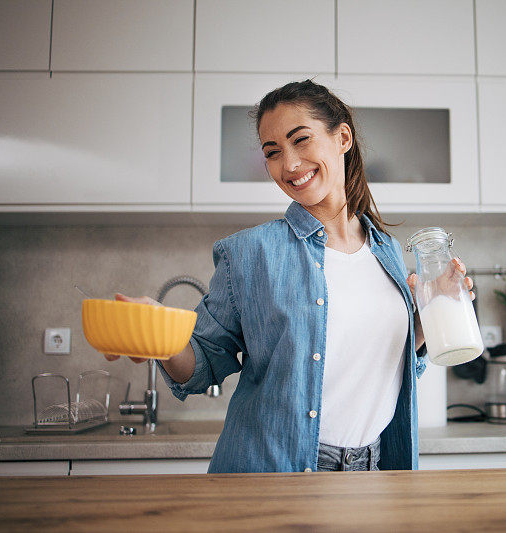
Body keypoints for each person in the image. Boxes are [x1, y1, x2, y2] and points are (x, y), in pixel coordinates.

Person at [105, 79, 474, 473]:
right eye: (273, 152)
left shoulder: (389, 252)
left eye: (301, 140)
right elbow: (203, 364)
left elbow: (385, 364)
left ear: (343, 138)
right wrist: (158, 336)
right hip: (276, 469)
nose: (290, 164)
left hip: (376, 468)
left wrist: (426, 319)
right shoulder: (249, 253)